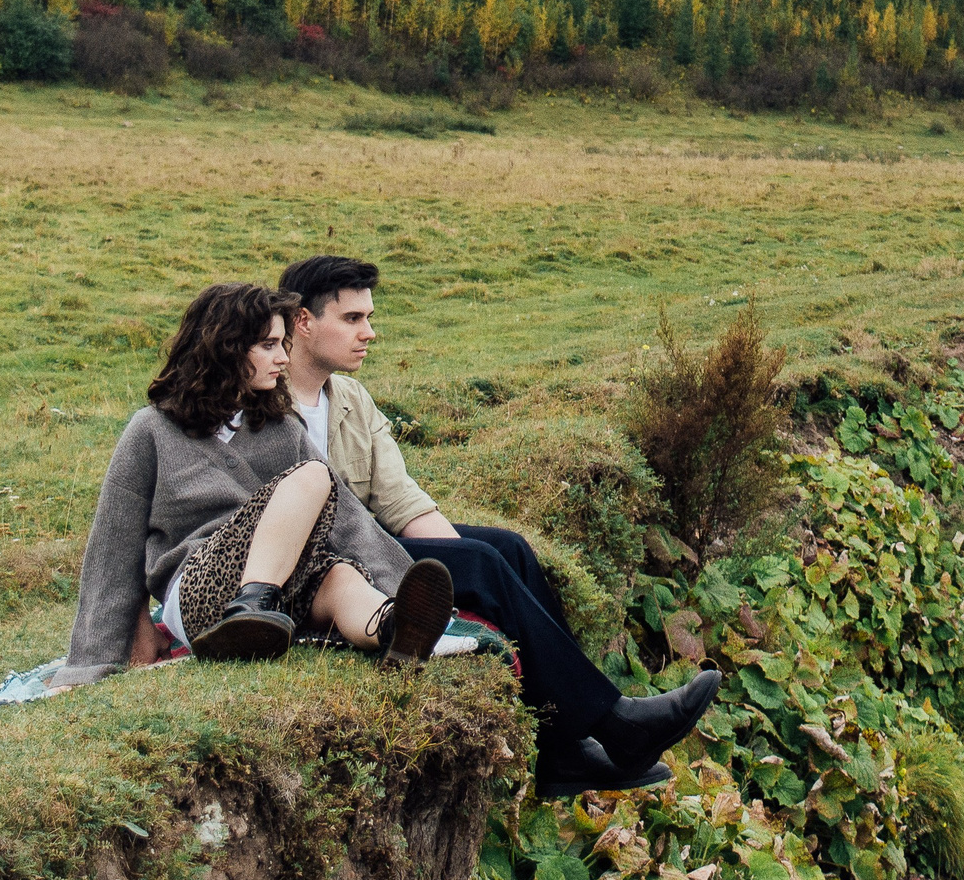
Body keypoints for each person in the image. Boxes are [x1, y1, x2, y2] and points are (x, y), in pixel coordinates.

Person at [276, 254, 719, 792]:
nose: (370, 333)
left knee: (506, 550)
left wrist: (458, 560)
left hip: (368, 540)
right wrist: (466, 568)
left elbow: (400, 500)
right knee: (482, 564)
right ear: (303, 321)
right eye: (353, 319)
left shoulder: (349, 398)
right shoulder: (265, 409)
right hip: (321, 570)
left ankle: (565, 751)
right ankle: (615, 723)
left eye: (370, 317)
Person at [62, 282, 453, 684]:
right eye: (269, 345)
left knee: (338, 576)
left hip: (283, 592)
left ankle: (393, 630)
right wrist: (100, 655)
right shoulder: (152, 430)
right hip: (200, 587)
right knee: (315, 477)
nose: (284, 358)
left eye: (284, 343)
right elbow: (114, 546)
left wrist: (399, 585)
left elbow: (349, 522)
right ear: (225, 347)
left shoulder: (283, 429)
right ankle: (249, 609)